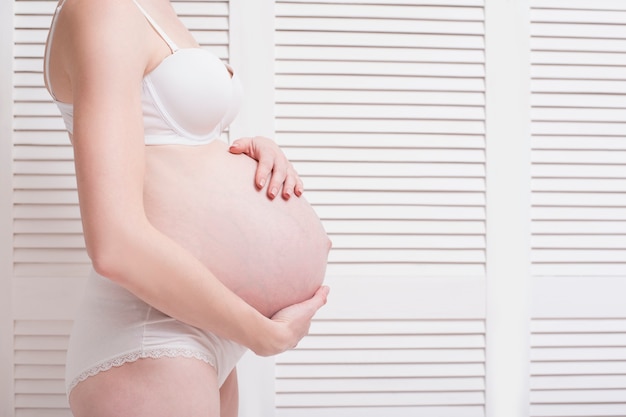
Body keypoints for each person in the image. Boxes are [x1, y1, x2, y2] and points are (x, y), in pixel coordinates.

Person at [43, 0, 331, 415]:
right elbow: (113, 244)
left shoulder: (157, 9)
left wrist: (246, 153)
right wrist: (263, 335)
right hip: (151, 330)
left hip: (201, 324)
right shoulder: (103, 7)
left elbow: (168, 146)